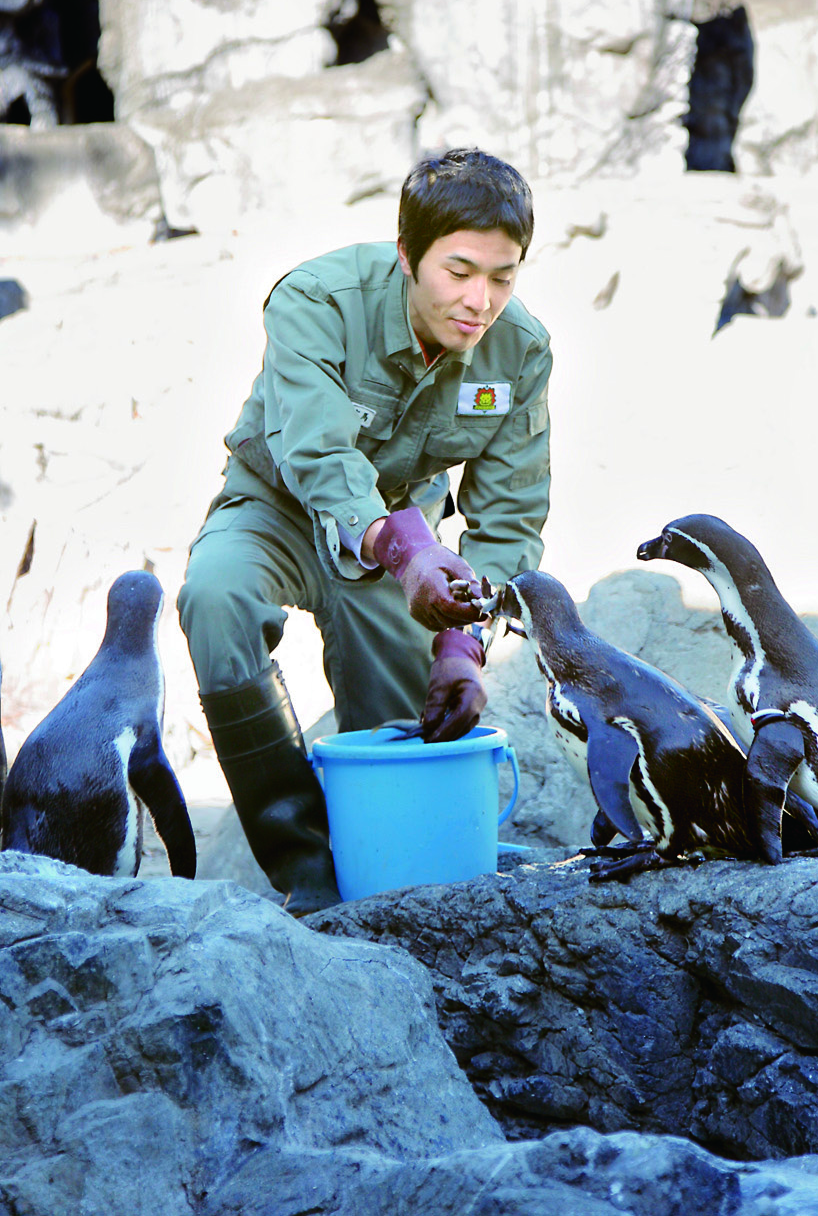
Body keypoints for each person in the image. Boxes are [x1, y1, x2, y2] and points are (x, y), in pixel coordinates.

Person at [177, 148, 551, 913]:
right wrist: (406, 555)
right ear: (408, 254)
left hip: (405, 542)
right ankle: (307, 876)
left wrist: (464, 645)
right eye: (459, 271)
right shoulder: (314, 300)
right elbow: (317, 453)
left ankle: (391, 906)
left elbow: (509, 514)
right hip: (278, 507)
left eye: (502, 277)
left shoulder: (521, 352)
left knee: (407, 741)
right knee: (215, 596)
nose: (479, 301)